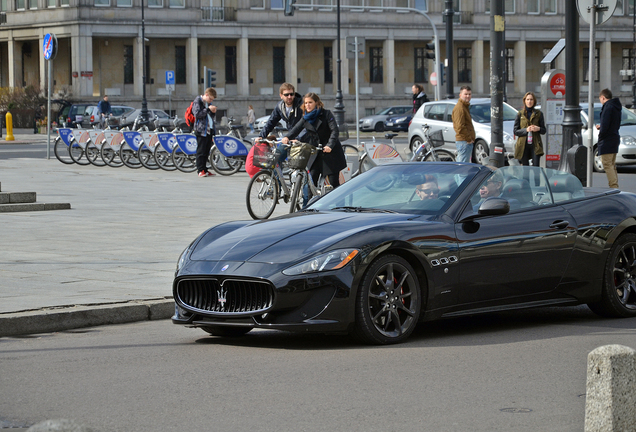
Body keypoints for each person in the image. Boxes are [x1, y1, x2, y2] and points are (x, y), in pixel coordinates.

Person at [281, 92, 347, 190]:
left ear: (316, 103)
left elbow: (334, 131)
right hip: (316, 154)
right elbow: (296, 129)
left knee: (334, 183)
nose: (307, 105)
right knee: (311, 182)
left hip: (330, 153)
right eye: (306, 103)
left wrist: (329, 145)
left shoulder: (326, 114)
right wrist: (287, 137)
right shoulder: (306, 118)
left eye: (310, 102)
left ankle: (337, 204)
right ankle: (309, 204)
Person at [596, 88, 622, 189]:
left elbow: (606, 125)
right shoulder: (616, 106)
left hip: (607, 139)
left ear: (603, 97)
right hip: (614, 136)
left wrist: (601, 133)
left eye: (600, 100)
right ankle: (615, 186)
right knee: (611, 164)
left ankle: (613, 186)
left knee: (607, 164)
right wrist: (602, 127)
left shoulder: (608, 107)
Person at [513, 92, 546, 167]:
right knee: (525, 167)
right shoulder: (520, 114)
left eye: (531, 99)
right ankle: (526, 179)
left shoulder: (539, 114)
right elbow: (516, 131)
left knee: (536, 166)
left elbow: (544, 130)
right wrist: (526, 130)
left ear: (534, 101)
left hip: (535, 143)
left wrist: (538, 128)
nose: (529, 101)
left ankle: (536, 179)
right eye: (527, 99)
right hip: (523, 144)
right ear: (525, 101)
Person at [192, 87, 217, 177]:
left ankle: (205, 169)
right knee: (201, 150)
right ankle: (200, 170)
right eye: (210, 98)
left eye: (212, 100)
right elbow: (197, 114)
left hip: (208, 130)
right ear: (206, 95)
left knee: (206, 151)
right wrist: (208, 109)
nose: (210, 101)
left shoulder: (207, 103)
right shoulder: (198, 101)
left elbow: (210, 116)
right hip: (201, 130)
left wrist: (213, 111)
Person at [452, 85, 475, 163]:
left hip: (465, 141)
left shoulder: (464, 106)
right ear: (460, 95)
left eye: (469, 94)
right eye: (465, 94)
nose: (468, 96)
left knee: (463, 167)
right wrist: (469, 139)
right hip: (464, 141)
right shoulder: (460, 108)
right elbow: (460, 127)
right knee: (463, 168)